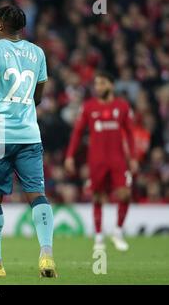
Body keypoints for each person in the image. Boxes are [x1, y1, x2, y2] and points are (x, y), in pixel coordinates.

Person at [0, 6, 57, 278]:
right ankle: (46, 255)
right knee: (37, 194)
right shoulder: (38, 52)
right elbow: (38, 95)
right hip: (29, 134)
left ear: (3, 25)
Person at [65, 71, 138, 252]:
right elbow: (77, 133)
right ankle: (98, 236)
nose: (98, 87)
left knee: (125, 194)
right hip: (97, 159)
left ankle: (118, 232)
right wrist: (70, 156)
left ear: (111, 85)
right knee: (97, 196)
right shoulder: (89, 107)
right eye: (96, 84)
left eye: (102, 83)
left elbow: (130, 133)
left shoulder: (122, 106)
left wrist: (133, 157)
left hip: (118, 159)